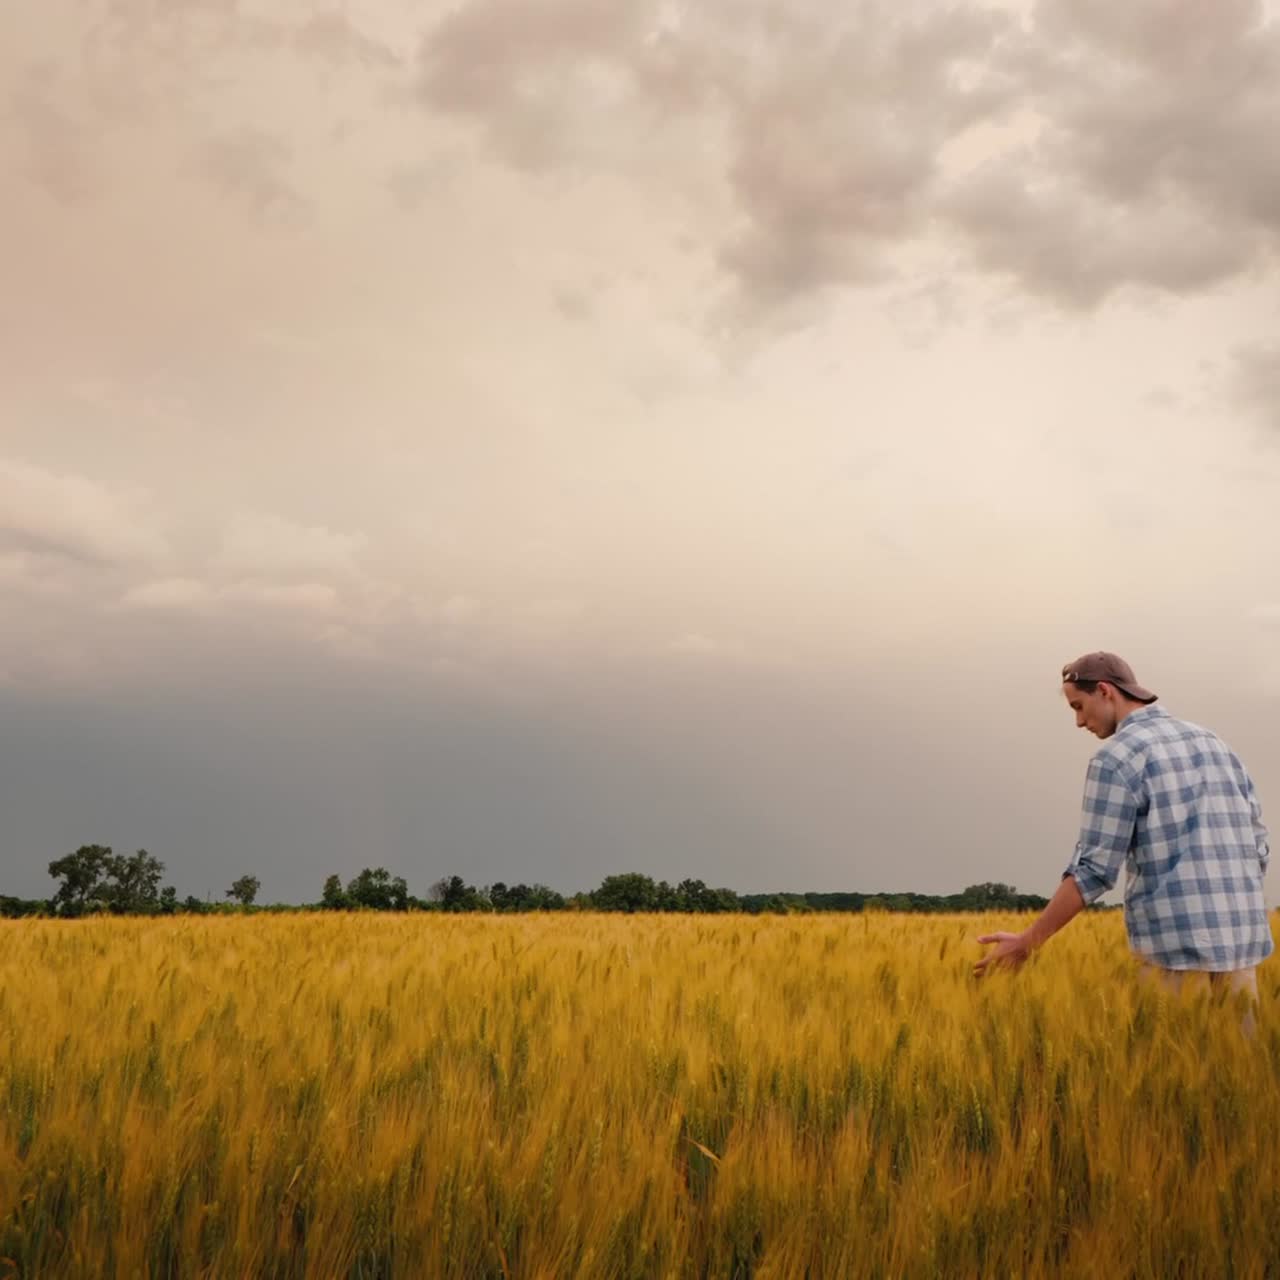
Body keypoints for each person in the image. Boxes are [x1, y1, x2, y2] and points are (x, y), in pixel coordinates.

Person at [973, 652, 1272, 1010]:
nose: (1079, 722)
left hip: (1173, 956)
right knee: (1237, 1062)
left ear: (1105, 691)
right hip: (1242, 946)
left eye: (1079, 707)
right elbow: (1258, 844)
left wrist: (1027, 942)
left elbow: (1094, 871)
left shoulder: (1116, 758)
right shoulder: (1215, 743)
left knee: (1168, 1063)